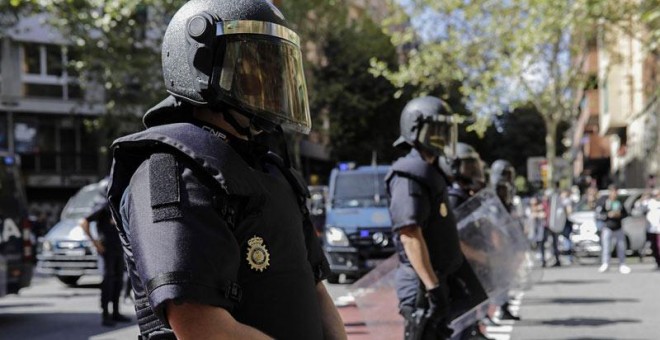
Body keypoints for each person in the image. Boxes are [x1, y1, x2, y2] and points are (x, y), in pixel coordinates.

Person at [105, 1, 346, 339]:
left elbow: (315, 287)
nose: (272, 78)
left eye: (276, 65)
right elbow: (201, 327)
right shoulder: (170, 173)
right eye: (256, 63)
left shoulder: (271, 169)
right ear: (202, 62)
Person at [386, 96, 461, 339]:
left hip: (432, 285)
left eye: (445, 130)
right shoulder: (408, 175)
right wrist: (433, 288)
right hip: (421, 290)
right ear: (416, 129)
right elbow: (409, 234)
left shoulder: (431, 171)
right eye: (436, 130)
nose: (442, 137)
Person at [80, 191, 131, 326]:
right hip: (106, 249)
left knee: (118, 281)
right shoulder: (103, 204)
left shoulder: (119, 204)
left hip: (118, 248)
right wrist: (95, 242)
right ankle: (105, 315)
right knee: (107, 281)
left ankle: (115, 312)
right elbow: (84, 222)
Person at [596, 184, 631, 274]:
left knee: (621, 247)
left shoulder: (620, 203)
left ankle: (622, 264)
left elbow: (626, 214)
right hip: (608, 227)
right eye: (612, 192)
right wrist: (608, 215)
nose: (614, 194)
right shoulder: (605, 202)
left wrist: (619, 215)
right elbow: (599, 214)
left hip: (618, 227)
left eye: (615, 192)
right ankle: (605, 263)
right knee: (606, 247)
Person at [644, 189, 660, 269]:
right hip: (651, 229)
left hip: (659, 229)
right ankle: (658, 263)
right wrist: (645, 195)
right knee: (654, 247)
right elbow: (640, 205)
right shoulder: (650, 202)